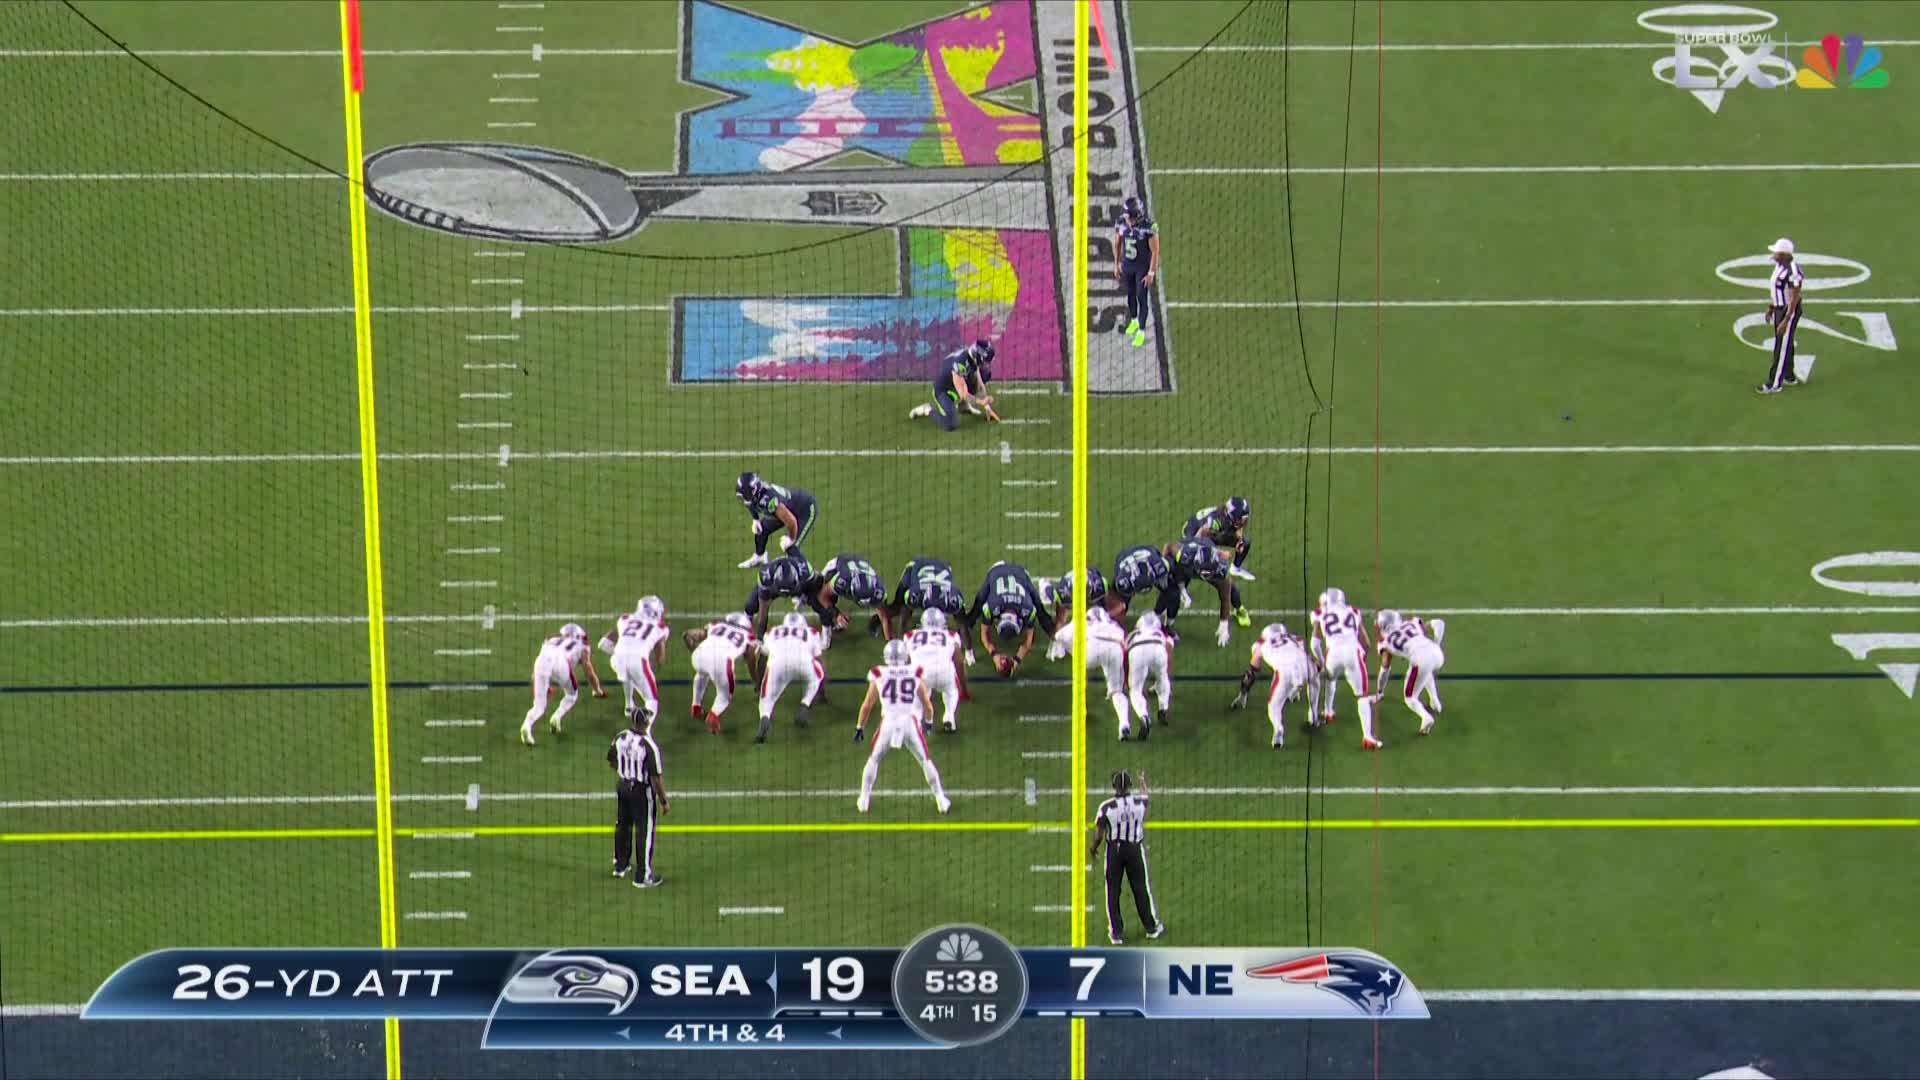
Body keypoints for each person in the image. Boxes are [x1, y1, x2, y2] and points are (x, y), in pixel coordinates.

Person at [853, 639, 952, 814]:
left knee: (873, 759)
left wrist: (860, 727)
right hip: (909, 722)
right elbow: (927, 705)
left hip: (888, 722)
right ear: (905, 656)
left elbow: (867, 705)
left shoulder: (878, 673)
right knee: (925, 760)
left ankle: (863, 799)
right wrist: (928, 723)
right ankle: (941, 800)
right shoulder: (915, 671)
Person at [1091, 768, 1162, 945]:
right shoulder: (1139, 804)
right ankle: (1151, 928)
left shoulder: (1106, 807)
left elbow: (1099, 834)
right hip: (1134, 849)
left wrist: (1093, 848)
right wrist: (1142, 782)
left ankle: (1116, 933)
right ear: (1130, 785)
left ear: (1113, 786)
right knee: (1140, 888)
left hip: (1114, 851)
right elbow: (1146, 796)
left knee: (1113, 891)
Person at [1047, 602, 1132, 740]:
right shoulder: (1113, 625)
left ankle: (1082, 711)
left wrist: (1072, 650)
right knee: (1117, 691)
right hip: (1115, 649)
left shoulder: (1081, 621)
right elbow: (1125, 646)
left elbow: (1059, 636)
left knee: (1080, 678)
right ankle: (1124, 723)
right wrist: (1126, 677)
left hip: (1092, 649)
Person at [1312, 587, 1380, 749]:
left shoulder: (1318, 613)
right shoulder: (1353, 611)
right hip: (1352, 652)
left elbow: (1314, 644)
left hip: (1333, 654)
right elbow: (1366, 642)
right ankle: (1367, 736)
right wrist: (1362, 657)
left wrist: (1321, 661)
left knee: (1330, 679)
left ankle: (1328, 711)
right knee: (1362, 696)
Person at [608, 704, 668, 888]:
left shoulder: (620, 737)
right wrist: (664, 801)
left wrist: (625, 773)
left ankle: (620, 865)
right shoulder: (649, 746)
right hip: (641, 792)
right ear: (646, 722)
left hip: (622, 786)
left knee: (622, 825)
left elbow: (611, 760)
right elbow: (655, 778)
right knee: (644, 829)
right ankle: (643, 876)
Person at [1232, 622, 1318, 749]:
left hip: (1284, 672)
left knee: (1274, 707)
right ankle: (1313, 715)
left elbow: (1251, 672)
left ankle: (1278, 729)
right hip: (1305, 665)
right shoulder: (1293, 638)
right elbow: (1301, 644)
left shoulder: (1260, 646)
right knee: (1314, 681)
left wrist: (1243, 693)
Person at [965, 560, 1055, 678]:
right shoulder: (1027, 609)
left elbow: (985, 635)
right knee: (978, 604)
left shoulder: (992, 608)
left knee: (1040, 610)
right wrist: (999, 656)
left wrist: (1005, 658)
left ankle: (1056, 639)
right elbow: (1027, 642)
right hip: (999, 572)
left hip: (1017, 574)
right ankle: (964, 631)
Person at [521, 623, 605, 745]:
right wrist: (597, 690)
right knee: (572, 694)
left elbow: (536, 672)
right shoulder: (581, 645)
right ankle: (556, 717)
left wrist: (544, 686)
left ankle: (527, 725)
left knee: (539, 706)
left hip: (541, 662)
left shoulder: (551, 640)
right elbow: (588, 670)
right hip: (561, 664)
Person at [1158, 535, 1248, 642]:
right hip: (1188, 563)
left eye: (1208, 574)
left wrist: (1224, 623)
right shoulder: (1184, 555)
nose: (1205, 577)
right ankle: (1158, 617)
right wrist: (1180, 587)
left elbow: (1225, 598)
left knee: (1231, 589)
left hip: (1201, 557)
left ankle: (1239, 609)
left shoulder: (1220, 570)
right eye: (1204, 573)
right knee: (1171, 591)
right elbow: (1168, 546)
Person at [682, 613, 757, 735]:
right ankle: (713, 715)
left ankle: (696, 707)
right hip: (722, 662)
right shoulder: (749, 636)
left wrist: (695, 650)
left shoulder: (716, 625)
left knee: (702, 673)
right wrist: (756, 680)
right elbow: (751, 661)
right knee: (725, 696)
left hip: (699, 655)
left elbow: (689, 635)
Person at [1374, 610, 1447, 736]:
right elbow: (1439, 623)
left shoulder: (1386, 642)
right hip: (1438, 655)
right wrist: (1437, 644)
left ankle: (1426, 717)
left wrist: (1379, 690)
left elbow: (1385, 668)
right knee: (1425, 671)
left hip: (1420, 660)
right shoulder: (1413, 623)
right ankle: (1435, 702)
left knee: (1410, 698)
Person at [756, 612, 826, 743]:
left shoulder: (772, 631)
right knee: (818, 673)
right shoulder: (812, 632)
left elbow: (762, 657)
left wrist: (759, 683)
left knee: (766, 697)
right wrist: (822, 691)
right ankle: (805, 703)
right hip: (803, 663)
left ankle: (764, 717)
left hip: (777, 664)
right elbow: (819, 659)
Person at [599, 596, 668, 725]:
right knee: (651, 700)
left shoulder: (625, 619)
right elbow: (660, 659)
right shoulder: (661, 627)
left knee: (627, 674)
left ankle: (629, 706)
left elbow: (603, 644)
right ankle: (645, 732)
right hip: (638, 661)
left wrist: (623, 653)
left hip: (617, 659)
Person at [909, 339, 1001, 431]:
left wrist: (987, 408)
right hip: (944, 390)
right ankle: (927, 409)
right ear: (978, 357)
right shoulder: (960, 364)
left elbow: (979, 385)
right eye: (986, 361)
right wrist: (981, 402)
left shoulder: (972, 358)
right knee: (950, 424)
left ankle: (963, 407)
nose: (987, 364)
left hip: (956, 383)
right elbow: (964, 395)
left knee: (983, 375)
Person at [872, 555, 966, 643]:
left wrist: (969, 651)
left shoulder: (954, 598)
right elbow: (905, 613)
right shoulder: (915, 594)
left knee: (960, 618)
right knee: (897, 607)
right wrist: (902, 639)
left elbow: (962, 622)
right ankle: (876, 620)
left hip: (941, 567)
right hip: (915, 567)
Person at [735, 472, 818, 569]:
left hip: (804, 510)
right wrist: (755, 519)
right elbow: (750, 504)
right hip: (785, 510)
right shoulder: (755, 495)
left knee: (791, 547)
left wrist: (791, 538)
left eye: (746, 495)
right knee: (761, 529)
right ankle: (759, 557)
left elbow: (791, 521)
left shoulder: (770, 500)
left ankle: (807, 573)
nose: (744, 499)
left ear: (754, 491)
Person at [906, 608, 969, 733]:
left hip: (920, 674)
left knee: (918, 699)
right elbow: (959, 661)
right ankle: (949, 717)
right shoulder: (952, 635)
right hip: (943, 673)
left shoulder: (910, 635)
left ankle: (917, 721)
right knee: (951, 690)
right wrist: (964, 688)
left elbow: (906, 661)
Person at [1756, 237, 1806, 394]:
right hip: (1779, 308)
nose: (1774, 255)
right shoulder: (1780, 266)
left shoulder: (1793, 271)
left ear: (1784, 254)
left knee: (1781, 346)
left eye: (1776, 253)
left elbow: (1794, 296)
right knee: (1786, 342)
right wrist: (1772, 307)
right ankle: (1789, 375)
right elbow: (1779, 290)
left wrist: (1786, 319)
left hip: (1788, 310)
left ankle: (1774, 383)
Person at [1114, 196, 1160, 348]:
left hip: (1142, 267)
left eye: (1131, 217)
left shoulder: (1148, 227)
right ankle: (1134, 320)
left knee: (1142, 297)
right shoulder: (1121, 223)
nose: (1128, 220)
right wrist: (1116, 264)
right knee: (1130, 295)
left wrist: (1151, 272)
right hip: (1128, 265)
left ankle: (1141, 331)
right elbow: (1117, 243)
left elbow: (1155, 251)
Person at [1125, 612, 1176, 740]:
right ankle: (1163, 709)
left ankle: (1144, 716)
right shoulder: (1161, 634)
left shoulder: (1133, 634)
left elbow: (1124, 656)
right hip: (1158, 649)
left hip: (1137, 650)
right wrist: (1165, 673)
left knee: (1135, 690)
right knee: (1163, 678)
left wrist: (1126, 680)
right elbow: (1169, 649)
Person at [1183, 497, 1255, 581]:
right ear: (1233, 516)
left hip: (1211, 533)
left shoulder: (1229, 517)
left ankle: (1235, 569)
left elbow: (1240, 526)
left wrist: (1240, 539)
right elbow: (1199, 537)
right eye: (1242, 519)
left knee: (1245, 543)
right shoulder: (1218, 521)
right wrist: (1219, 553)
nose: (1245, 521)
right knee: (1211, 561)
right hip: (1193, 534)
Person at [1110, 543, 1171, 618]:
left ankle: (1161, 611)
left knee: (1168, 586)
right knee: (1120, 599)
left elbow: (1165, 562)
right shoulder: (1124, 579)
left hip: (1147, 549)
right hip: (1123, 557)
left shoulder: (1158, 566)